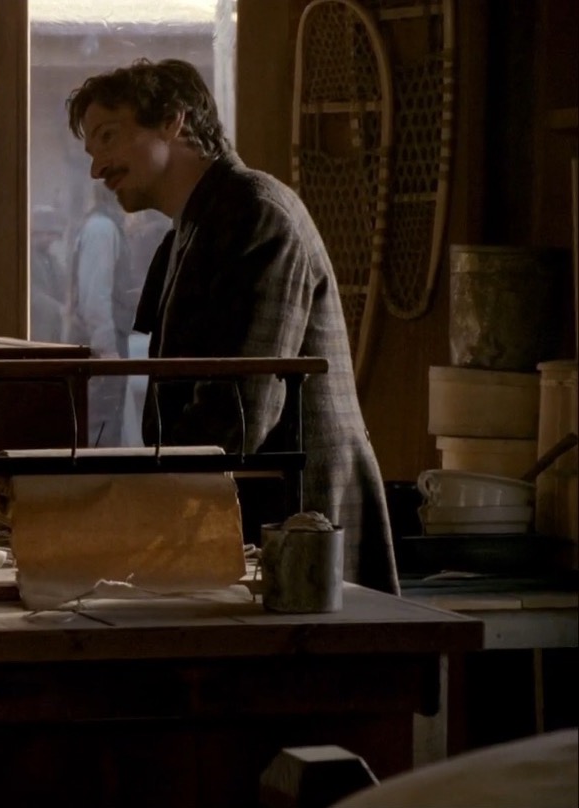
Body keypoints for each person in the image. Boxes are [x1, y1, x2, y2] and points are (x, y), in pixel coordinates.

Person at [65, 58, 398, 594]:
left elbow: (241, 411)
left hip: (297, 516)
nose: (97, 168)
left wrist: (130, 500)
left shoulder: (256, 213)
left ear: (172, 120)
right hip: (251, 511)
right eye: (91, 152)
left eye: (109, 137)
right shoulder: (192, 229)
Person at [69, 182, 129, 446]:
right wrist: (106, 348)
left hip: (105, 339)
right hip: (102, 343)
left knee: (105, 421)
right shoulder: (102, 229)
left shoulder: (101, 226)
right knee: (100, 425)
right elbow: (95, 296)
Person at [29, 205, 69, 343]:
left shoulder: (52, 260)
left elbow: (62, 285)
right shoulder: (26, 260)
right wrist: (58, 308)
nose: (49, 239)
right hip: (34, 329)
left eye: (51, 234)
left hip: (52, 329)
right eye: (44, 234)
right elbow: (31, 292)